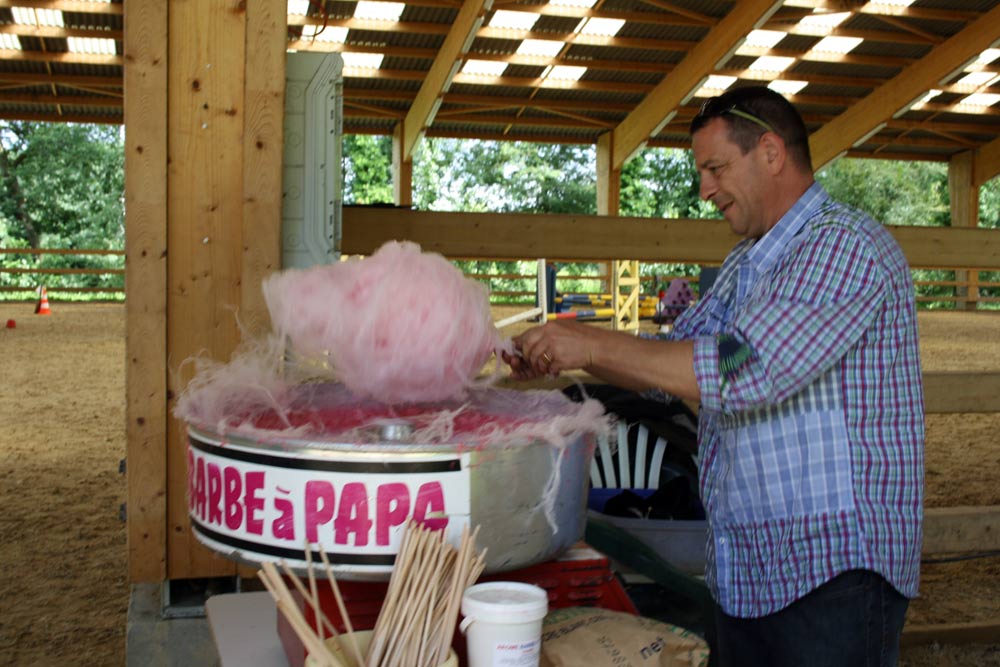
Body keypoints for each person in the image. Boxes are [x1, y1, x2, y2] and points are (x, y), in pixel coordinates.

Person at [504, 85, 924, 667]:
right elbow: (671, 360)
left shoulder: (841, 245)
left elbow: (747, 366)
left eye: (716, 168)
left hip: (831, 573)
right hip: (755, 571)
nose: (705, 190)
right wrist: (574, 352)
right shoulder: (745, 267)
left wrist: (587, 341)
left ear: (771, 152)